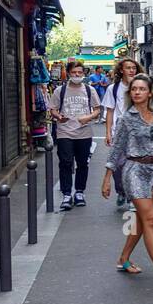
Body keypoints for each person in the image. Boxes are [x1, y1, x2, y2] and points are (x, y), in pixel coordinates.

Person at [102, 73, 153, 281]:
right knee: (150, 218)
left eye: (141, 89)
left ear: (150, 92)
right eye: (134, 89)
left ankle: (124, 258)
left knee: (142, 221)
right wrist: (107, 178)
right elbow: (116, 150)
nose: (137, 92)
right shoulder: (127, 118)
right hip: (134, 171)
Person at [48, 61, 103, 210]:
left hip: (84, 132)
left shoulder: (89, 90)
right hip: (64, 131)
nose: (77, 75)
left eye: (79, 72)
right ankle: (67, 193)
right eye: (74, 73)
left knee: (82, 163)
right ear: (69, 74)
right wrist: (59, 117)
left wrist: (89, 117)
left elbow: (98, 109)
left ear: (83, 74)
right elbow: (52, 109)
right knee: (65, 162)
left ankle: (79, 192)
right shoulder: (60, 90)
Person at [104, 58, 149, 210]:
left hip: (138, 130)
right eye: (128, 68)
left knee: (135, 163)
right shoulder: (113, 88)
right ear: (121, 70)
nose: (131, 71)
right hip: (120, 131)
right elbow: (110, 110)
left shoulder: (141, 87)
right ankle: (121, 191)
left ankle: (132, 196)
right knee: (118, 164)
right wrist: (108, 132)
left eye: (134, 68)